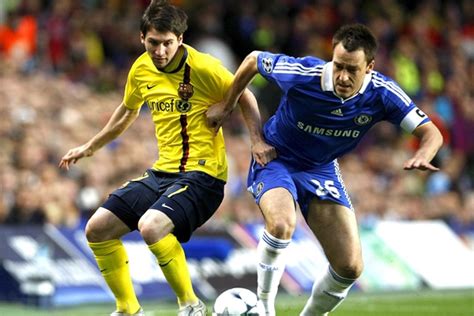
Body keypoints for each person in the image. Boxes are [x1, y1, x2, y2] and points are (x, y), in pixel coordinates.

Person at [209, 24, 443, 316]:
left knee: (350, 267)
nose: (343, 76)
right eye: (338, 66)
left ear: (369, 67)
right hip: (276, 157)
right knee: (281, 224)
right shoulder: (304, 74)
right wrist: (230, 107)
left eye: (352, 70)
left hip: (321, 169)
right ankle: (265, 308)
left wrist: (423, 153)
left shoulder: (382, 93)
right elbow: (254, 60)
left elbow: (431, 133)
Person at [59, 1, 270, 315]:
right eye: (153, 42)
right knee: (97, 228)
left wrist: (256, 140)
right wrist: (91, 146)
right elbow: (127, 111)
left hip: (204, 176)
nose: (159, 50)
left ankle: (190, 305)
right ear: (142, 37)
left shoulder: (203, 67)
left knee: (151, 226)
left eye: (167, 43)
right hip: (163, 173)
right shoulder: (141, 68)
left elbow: (246, 95)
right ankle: (128, 309)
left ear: (180, 40)